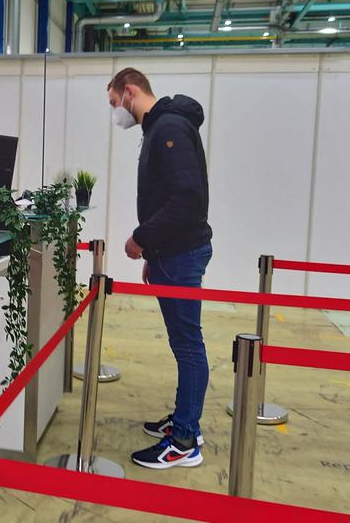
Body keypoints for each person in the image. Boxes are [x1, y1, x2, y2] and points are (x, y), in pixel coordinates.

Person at [108, 67, 213, 469]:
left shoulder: (168, 127)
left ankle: (185, 440)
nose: (116, 112)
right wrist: (154, 254)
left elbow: (187, 199)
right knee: (183, 343)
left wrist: (142, 238)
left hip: (182, 254)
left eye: (115, 103)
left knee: (188, 345)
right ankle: (185, 418)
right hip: (171, 255)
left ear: (130, 91)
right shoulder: (160, 127)